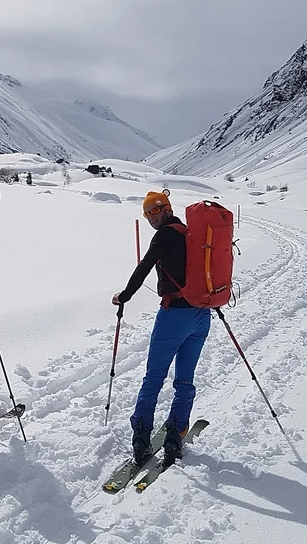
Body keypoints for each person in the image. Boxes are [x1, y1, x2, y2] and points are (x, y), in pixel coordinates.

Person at [111, 191, 211, 468]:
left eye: (155, 211)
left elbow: (145, 266)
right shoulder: (192, 234)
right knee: (185, 381)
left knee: (153, 378)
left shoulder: (165, 235)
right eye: (147, 214)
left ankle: (141, 437)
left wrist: (125, 295)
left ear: (167, 209)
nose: (152, 217)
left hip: (174, 317)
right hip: (201, 315)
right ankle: (174, 435)